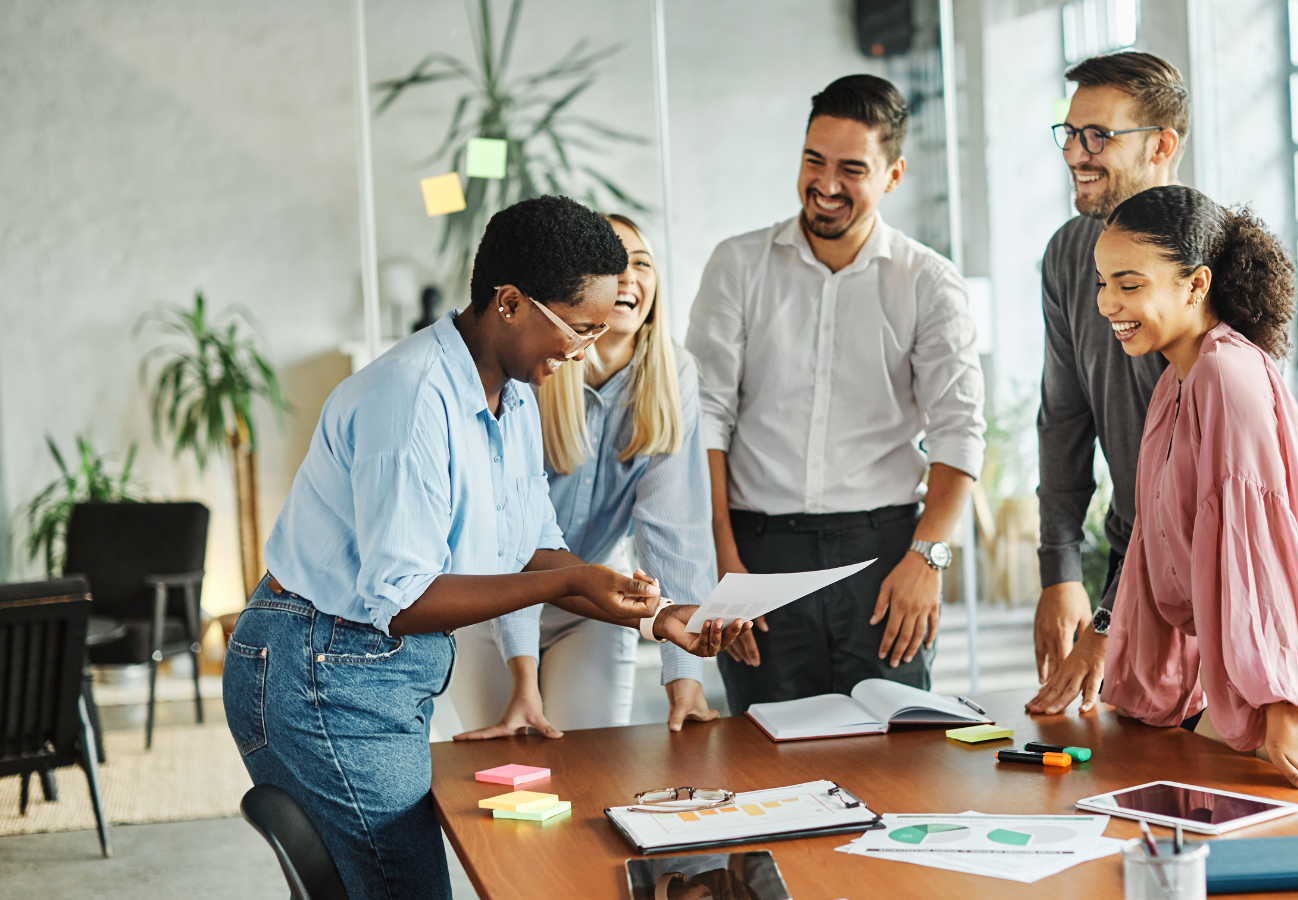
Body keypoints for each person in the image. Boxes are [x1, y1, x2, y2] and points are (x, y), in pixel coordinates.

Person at [222, 196, 749, 899]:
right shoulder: (411, 399)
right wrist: (568, 585)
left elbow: (529, 544)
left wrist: (654, 615)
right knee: (404, 887)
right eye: (580, 329)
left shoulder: (515, 391)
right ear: (508, 304)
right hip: (320, 670)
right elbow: (406, 598)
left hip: (373, 667)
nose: (585, 351)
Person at [1094, 184, 1298, 810]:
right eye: (1104, 283)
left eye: (1130, 284)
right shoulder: (1176, 384)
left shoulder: (1226, 374)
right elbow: (1155, 552)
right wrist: (1145, 688)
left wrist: (1283, 703)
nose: (1109, 303)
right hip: (1267, 675)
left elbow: (1256, 545)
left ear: (1196, 285)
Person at [687, 74, 985, 715]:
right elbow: (707, 417)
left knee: (895, 761)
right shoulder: (737, 266)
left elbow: (959, 429)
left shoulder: (928, 282)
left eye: (852, 169)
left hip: (883, 558)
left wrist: (926, 559)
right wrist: (724, 558)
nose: (825, 184)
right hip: (758, 555)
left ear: (893, 175)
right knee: (770, 764)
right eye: (813, 161)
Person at [440, 214, 721, 737]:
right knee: (508, 771)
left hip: (594, 601)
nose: (629, 278)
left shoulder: (673, 373)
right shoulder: (534, 365)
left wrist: (686, 676)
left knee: (588, 762)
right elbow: (514, 543)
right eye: (613, 266)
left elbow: (675, 527)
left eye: (642, 264)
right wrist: (523, 675)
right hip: (490, 599)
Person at [1027, 51, 1189, 718]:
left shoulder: (1207, 264)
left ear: (1160, 146)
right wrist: (1060, 567)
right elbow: (1062, 419)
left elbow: (1185, 484)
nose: (1076, 153)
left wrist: (1105, 619)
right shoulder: (1068, 253)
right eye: (1070, 133)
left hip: (1205, 579)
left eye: (1099, 136)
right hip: (1133, 570)